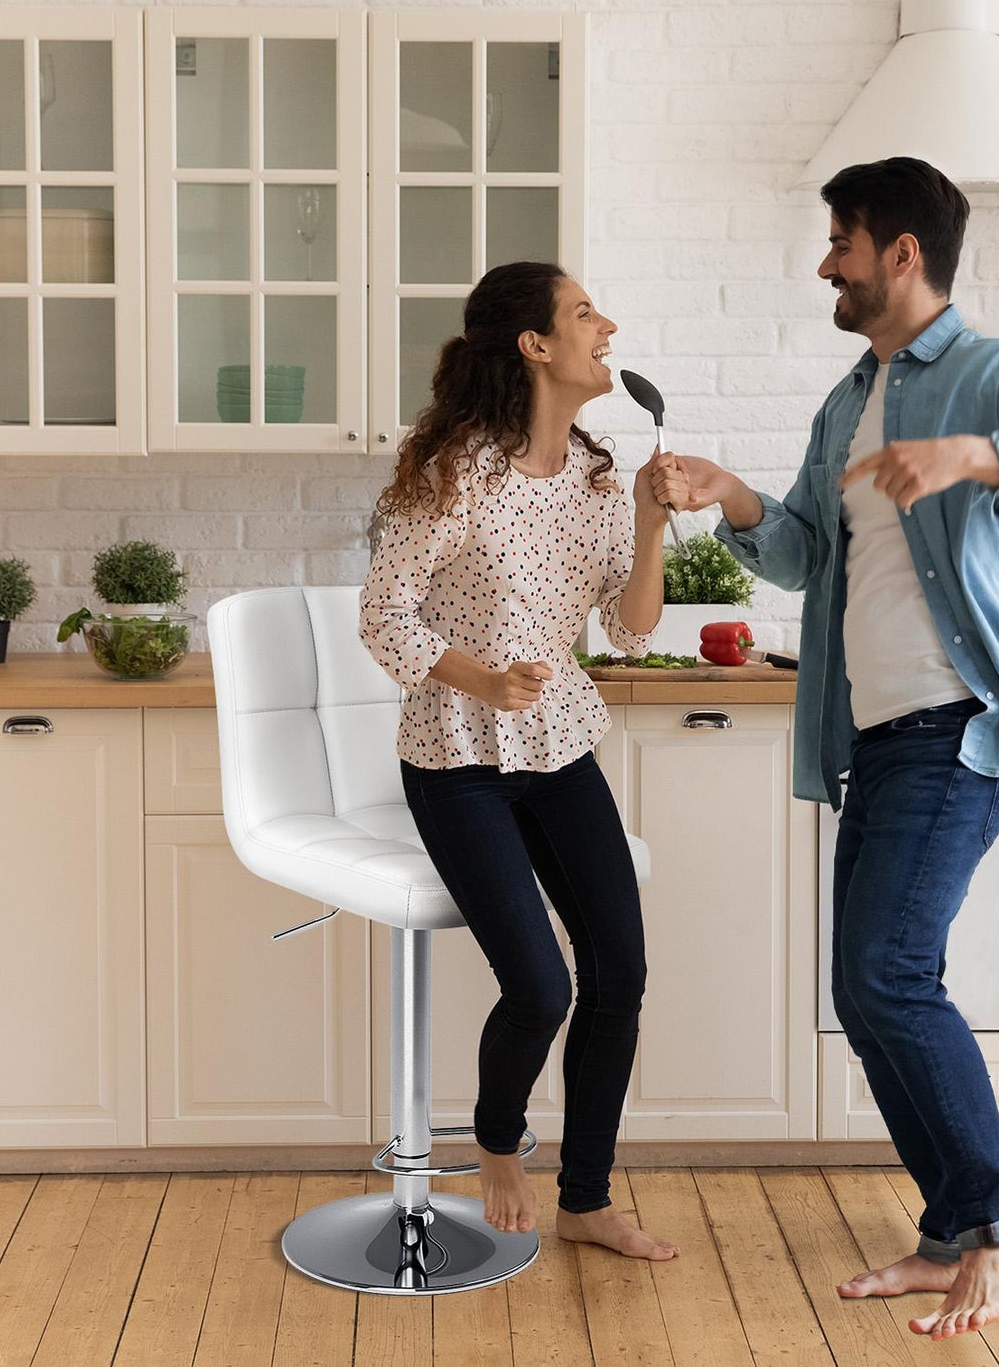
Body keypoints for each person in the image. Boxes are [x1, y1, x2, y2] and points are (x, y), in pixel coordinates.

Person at [660, 157, 999, 1337]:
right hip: (872, 733)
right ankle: (947, 1233)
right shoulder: (848, 397)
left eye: (841, 241)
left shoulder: (995, 371)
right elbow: (807, 555)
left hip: (959, 722)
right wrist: (732, 497)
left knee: (886, 973)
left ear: (900, 253)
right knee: (862, 986)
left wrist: (975, 454)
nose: (826, 262)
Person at [359, 260, 683, 1262]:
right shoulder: (454, 468)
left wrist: (647, 517)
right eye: (585, 310)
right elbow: (381, 616)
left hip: (559, 745)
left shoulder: (593, 472)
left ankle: (585, 1197)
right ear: (535, 346)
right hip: (454, 755)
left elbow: (628, 631)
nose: (607, 322)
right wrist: (478, 677)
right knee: (541, 985)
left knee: (619, 970)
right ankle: (497, 1139)